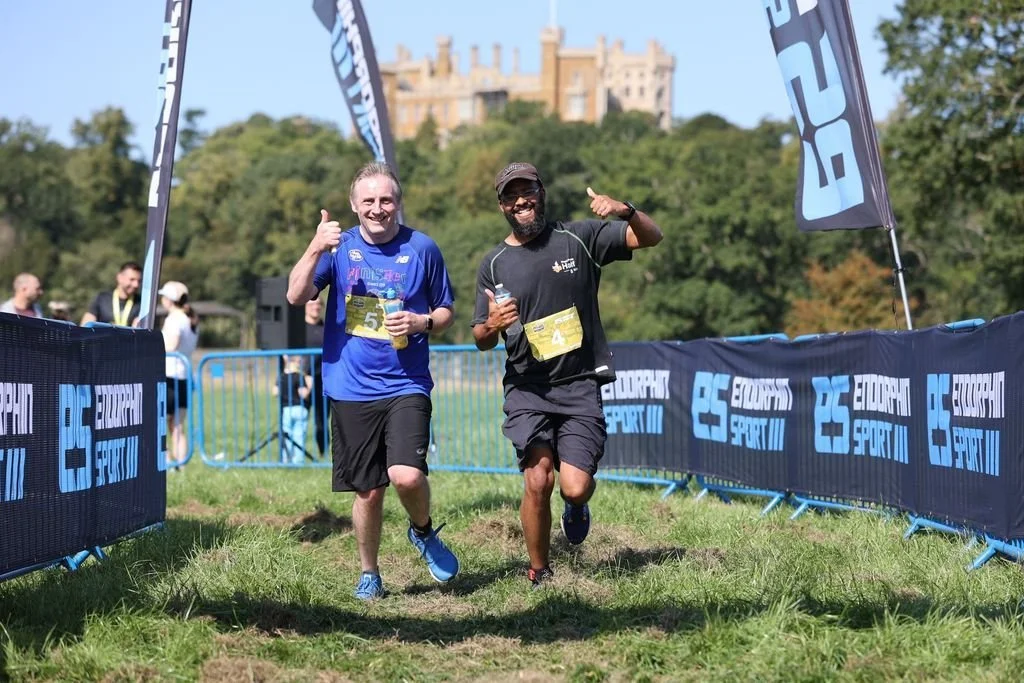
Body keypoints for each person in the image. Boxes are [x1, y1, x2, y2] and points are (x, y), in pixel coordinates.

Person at [471, 162, 663, 588]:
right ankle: (540, 570)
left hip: (579, 385)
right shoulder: (494, 263)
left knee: (574, 487)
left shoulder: (580, 237)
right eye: (511, 195)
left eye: (528, 191)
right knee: (538, 477)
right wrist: (493, 325)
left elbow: (651, 237)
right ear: (502, 204)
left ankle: (576, 508)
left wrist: (627, 210)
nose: (521, 200)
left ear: (542, 192)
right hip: (527, 388)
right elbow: (481, 338)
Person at [286, 160, 460, 600]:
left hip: (406, 383)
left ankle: (421, 531)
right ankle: (370, 573)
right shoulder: (338, 248)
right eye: (369, 201)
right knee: (367, 491)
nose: (378, 208)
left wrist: (421, 322)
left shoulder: (423, 248)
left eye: (386, 200)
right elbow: (296, 295)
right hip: (350, 385)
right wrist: (313, 248)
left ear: (398, 203)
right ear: (354, 204)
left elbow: (445, 311)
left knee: (405, 476)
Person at [159, 281, 199, 469]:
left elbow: (171, 345)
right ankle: (181, 464)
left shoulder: (174, 319)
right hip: (184, 376)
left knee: (162, 423)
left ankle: (166, 462)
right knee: (178, 425)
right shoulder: (190, 319)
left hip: (169, 375)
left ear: (169, 299)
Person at [273, 354, 313, 464]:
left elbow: (275, 392)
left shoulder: (281, 376)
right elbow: (303, 394)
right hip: (299, 409)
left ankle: (286, 458)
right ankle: (298, 461)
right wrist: (309, 386)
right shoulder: (299, 377)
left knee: (287, 434)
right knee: (298, 435)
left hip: (286, 409)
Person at [81, 261, 142, 326]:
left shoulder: (141, 303)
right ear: (120, 278)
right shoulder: (102, 298)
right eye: (132, 279)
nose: (136, 285)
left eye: (139, 281)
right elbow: (87, 322)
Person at [304, 297, 328, 457]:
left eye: (319, 304)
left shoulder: (326, 327)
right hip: (301, 380)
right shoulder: (298, 328)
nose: (316, 307)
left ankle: (323, 454)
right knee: (299, 418)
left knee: (322, 421)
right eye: (312, 303)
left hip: (323, 379)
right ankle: (295, 455)